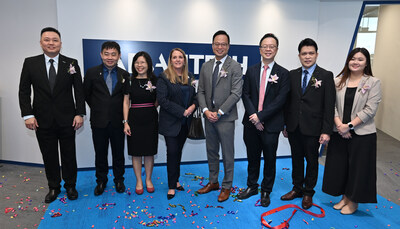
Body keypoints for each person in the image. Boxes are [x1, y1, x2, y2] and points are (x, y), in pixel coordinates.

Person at [18, 27, 85, 203]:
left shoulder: (71, 63)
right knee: (49, 155)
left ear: (60, 44)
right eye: (47, 40)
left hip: (68, 119)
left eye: (55, 40)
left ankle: (70, 185)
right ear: (41, 43)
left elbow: (79, 91)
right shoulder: (30, 63)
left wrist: (80, 114)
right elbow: (24, 91)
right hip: (41, 119)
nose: (51, 43)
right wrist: (28, 115)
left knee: (69, 154)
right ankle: (54, 187)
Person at [322, 48, 381, 214]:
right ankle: (345, 198)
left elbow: (370, 109)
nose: (356, 62)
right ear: (348, 61)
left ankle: (353, 201)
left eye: (360, 59)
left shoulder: (373, 82)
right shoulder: (338, 81)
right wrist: (340, 125)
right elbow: (330, 105)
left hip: (362, 134)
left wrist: (349, 126)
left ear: (366, 63)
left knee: (358, 168)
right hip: (339, 131)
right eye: (353, 58)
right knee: (341, 166)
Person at [281, 38, 335, 209]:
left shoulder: (326, 76)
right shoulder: (292, 74)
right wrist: (285, 124)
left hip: (314, 128)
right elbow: (287, 102)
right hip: (294, 126)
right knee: (296, 159)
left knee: (312, 161)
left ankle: (308, 192)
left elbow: (329, 106)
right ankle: (296, 188)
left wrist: (326, 131)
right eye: (304, 53)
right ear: (299, 56)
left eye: (311, 53)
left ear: (316, 55)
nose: (307, 56)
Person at [239, 33, 290, 207]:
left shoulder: (283, 74)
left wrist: (261, 116)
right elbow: (245, 94)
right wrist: (254, 117)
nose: (268, 49)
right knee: (252, 157)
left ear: (276, 49)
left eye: (272, 46)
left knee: (270, 159)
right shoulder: (251, 70)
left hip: (271, 124)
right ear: (260, 49)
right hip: (251, 124)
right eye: (265, 46)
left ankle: (266, 190)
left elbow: (280, 100)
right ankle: (252, 186)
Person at [196, 30, 243, 202]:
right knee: (211, 151)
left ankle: (226, 186)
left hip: (226, 118)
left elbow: (236, 93)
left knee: (227, 153)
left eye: (223, 44)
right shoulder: (206, 66)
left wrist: (220, 112)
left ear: (228, 46)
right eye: (217, 43)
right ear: (212, 45)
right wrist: (206, 111)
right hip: (208, 117)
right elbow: (200, 91)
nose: (220, 47)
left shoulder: (235, 66)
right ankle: (213, 182)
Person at [83, 41, 129, 196]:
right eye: (107, 54)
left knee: (118, 153)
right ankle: (101, 181)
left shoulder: (124, 74)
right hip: (98, 121)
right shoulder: (91, 73)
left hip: (117, 121)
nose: (110, 57)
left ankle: (119, 180)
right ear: (101, 54)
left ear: (119, 56)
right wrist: (99, 107)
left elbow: (126, 99)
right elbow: (87, 95)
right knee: (100, 153)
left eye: (113, 54)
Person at [157, 48, 197, 200]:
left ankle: (176, 180)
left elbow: (195, 97)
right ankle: (171, 186)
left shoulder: (189, 77)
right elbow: (162, 100)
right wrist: (182, 111)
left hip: (185, 123)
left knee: (178, 153)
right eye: (175, 57)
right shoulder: (164, 77)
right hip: (170, 123)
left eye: (181, 57)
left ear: (184, 60)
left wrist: (193, 107)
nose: (178, 60)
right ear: (170, 60)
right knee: (172, 153)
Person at [123, 51, 158, 195]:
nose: (140, 65)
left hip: (150, 118)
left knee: (149, 152)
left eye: (143, 62)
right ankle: (139, 180)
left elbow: (157, 100)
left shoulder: (155, 80)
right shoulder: (129, 80)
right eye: (137, 62)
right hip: (134, 119)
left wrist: (149, 109)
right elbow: (126, 102)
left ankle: (148, 179)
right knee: (136, 153)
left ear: (148, 64)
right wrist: (125, 122)